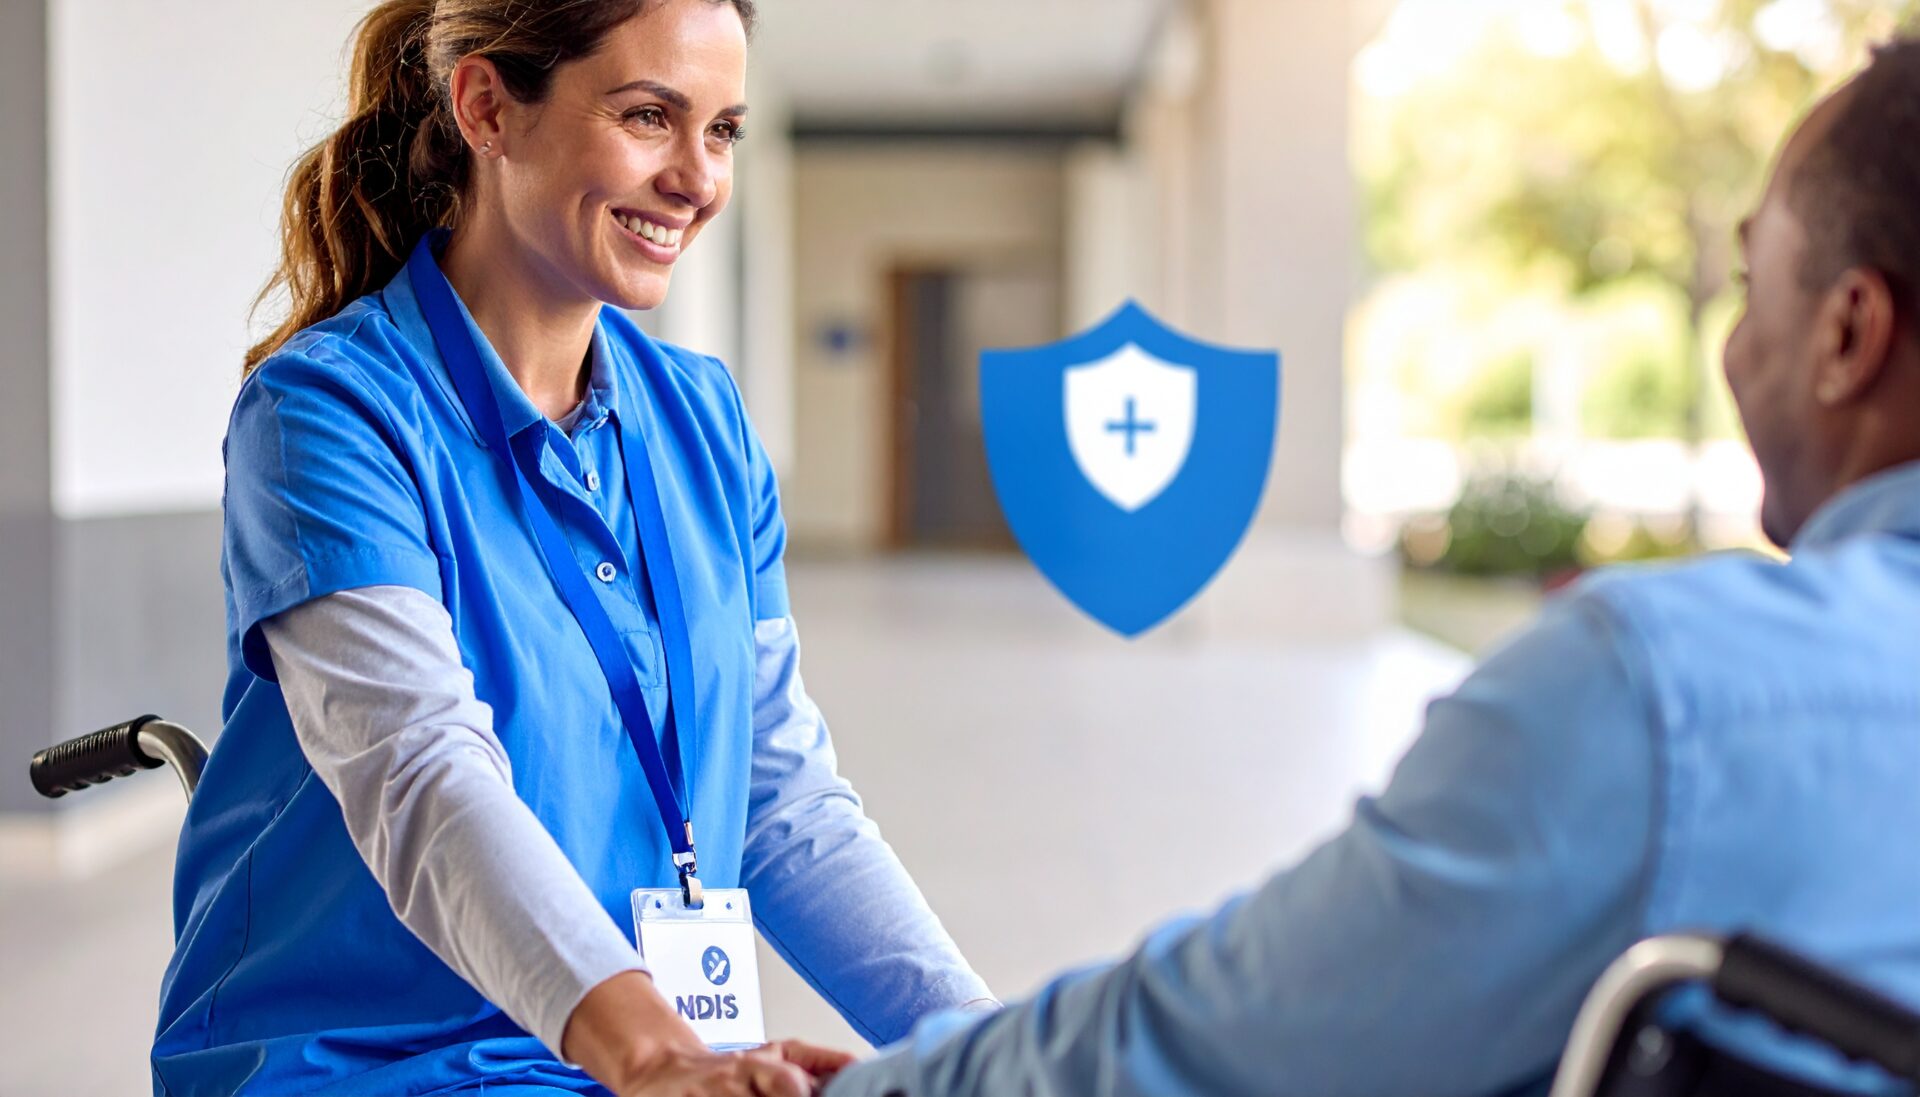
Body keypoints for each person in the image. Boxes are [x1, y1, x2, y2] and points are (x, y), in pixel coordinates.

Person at [824, 35, 1920, 1097]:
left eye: (1748, 276)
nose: (1732, 340)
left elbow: (1230, 1039)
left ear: (1847, 333)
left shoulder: (1663, 696)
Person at [152, 2, 992, 1094]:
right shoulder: (330, 413)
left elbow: (780, 795)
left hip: (625, 1052)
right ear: (489, 108)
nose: (699, 178)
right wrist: (655, 1051)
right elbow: (419, 771)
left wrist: (989, 1046)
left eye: (725, 130)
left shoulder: (705, 420)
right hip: (374, 1060)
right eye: (651, 116)